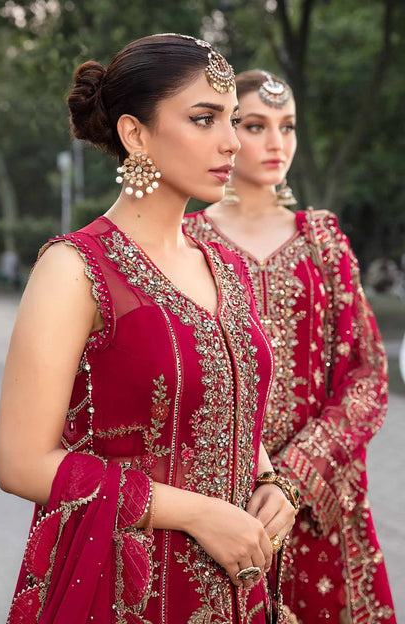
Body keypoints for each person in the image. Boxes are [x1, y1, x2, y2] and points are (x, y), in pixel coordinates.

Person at [0, 37, 298, 624]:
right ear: (136, 135)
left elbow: (224, 408)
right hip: (125, 587)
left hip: (240, 582)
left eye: (232, 120)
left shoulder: (222, 262)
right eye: (204, 119)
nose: (232, 141)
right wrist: (198, 513)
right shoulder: (76, 269)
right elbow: (21, 462)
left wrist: (270, 482)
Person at [184, 69, 397, 623]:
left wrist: (299, 473)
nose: (277, 142)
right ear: (226, 132)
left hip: (320, 502)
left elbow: (369, 372)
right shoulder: (187, 243)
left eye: (288, 126)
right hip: (223, 503)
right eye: (256, 126)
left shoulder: (324, 242)